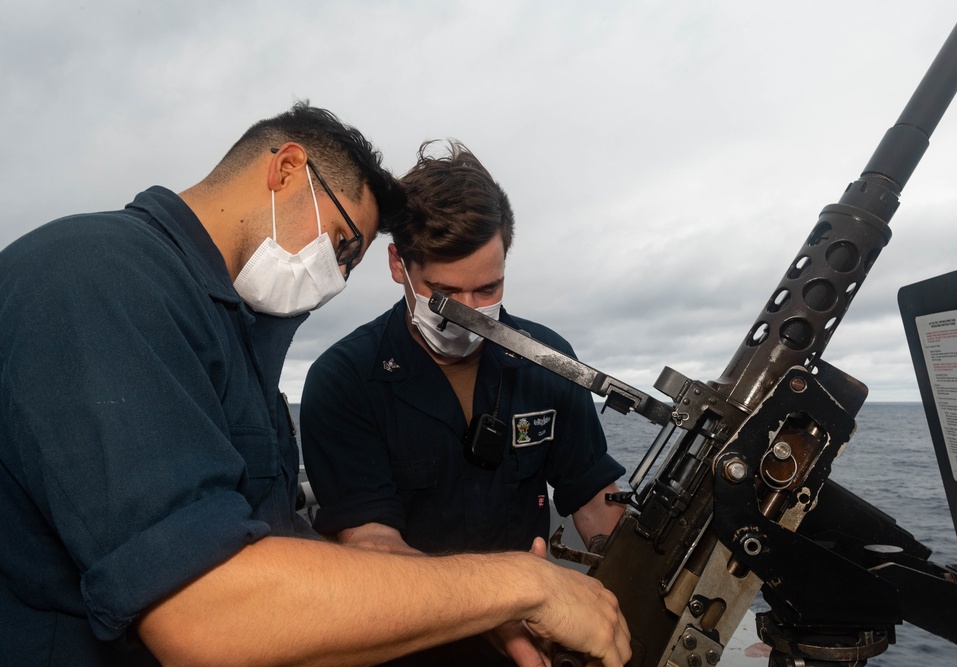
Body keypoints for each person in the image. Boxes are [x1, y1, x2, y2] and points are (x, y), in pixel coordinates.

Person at [0, 104, 631, 667]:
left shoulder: (230, 336)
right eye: (341, 244)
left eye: (350, 261)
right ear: (286, 170)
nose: (335, 279)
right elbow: (205, 614)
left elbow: (276, 548)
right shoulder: (95, 279)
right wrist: (524, 587)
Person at [301, 140, 629, 666]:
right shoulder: (343, 381)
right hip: (406, 649)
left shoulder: (550, 362)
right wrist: (502, 600)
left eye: (489, 288)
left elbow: (594, 498)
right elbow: (373, 546)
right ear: (397, 264)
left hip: (533, 641)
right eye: (447, 294)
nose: (472, 312)